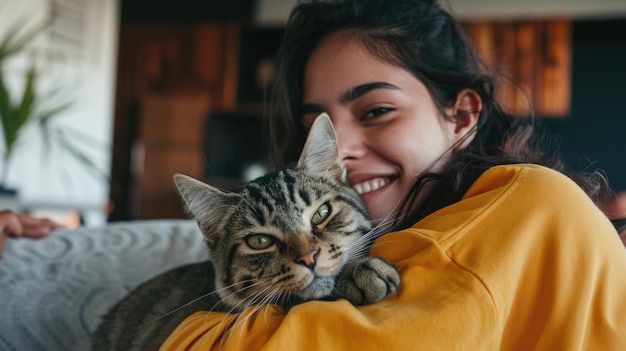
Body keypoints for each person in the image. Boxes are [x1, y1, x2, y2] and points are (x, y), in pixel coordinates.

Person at [161, 0, 626, 349]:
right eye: (314, 128)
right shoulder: (409, 235)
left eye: (377, 110)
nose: (338, 152)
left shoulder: (530, 203)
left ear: (462, 116)